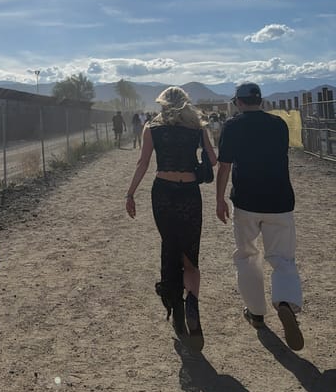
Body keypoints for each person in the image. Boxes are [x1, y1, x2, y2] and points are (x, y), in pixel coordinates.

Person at [125, 87, 217, 350]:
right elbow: (212, 159)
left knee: (171, 245)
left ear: (163, 105)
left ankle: (176, 309)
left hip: (163, 192)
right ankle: (192, 305)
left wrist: (130, 193)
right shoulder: (197, 128)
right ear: (186, 104)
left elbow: (143, 163)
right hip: (189, 192)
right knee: (190, 255)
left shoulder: (152, 128)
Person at [216, 82, 304, 351]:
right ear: (261, 101)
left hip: (247, 201)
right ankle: (286, 301)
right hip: (279, 200)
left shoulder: (232, 126)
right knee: (282, 258)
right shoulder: (279, 125)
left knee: (247, 256)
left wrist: (219, 198)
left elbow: (225, 165)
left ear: (238, 102)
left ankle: (255, 312)